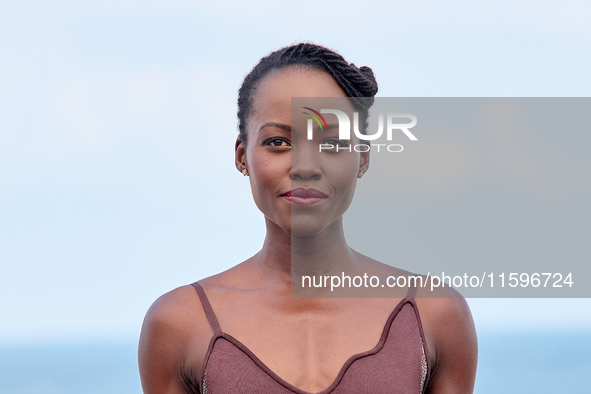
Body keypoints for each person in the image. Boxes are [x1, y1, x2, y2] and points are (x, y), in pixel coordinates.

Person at [138, 43, 478, 394]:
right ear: (242, 156)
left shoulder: (433, 315)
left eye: (332, 144)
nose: (305, 167)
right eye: (278, 142)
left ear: (362, 158)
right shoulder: (181, 324)